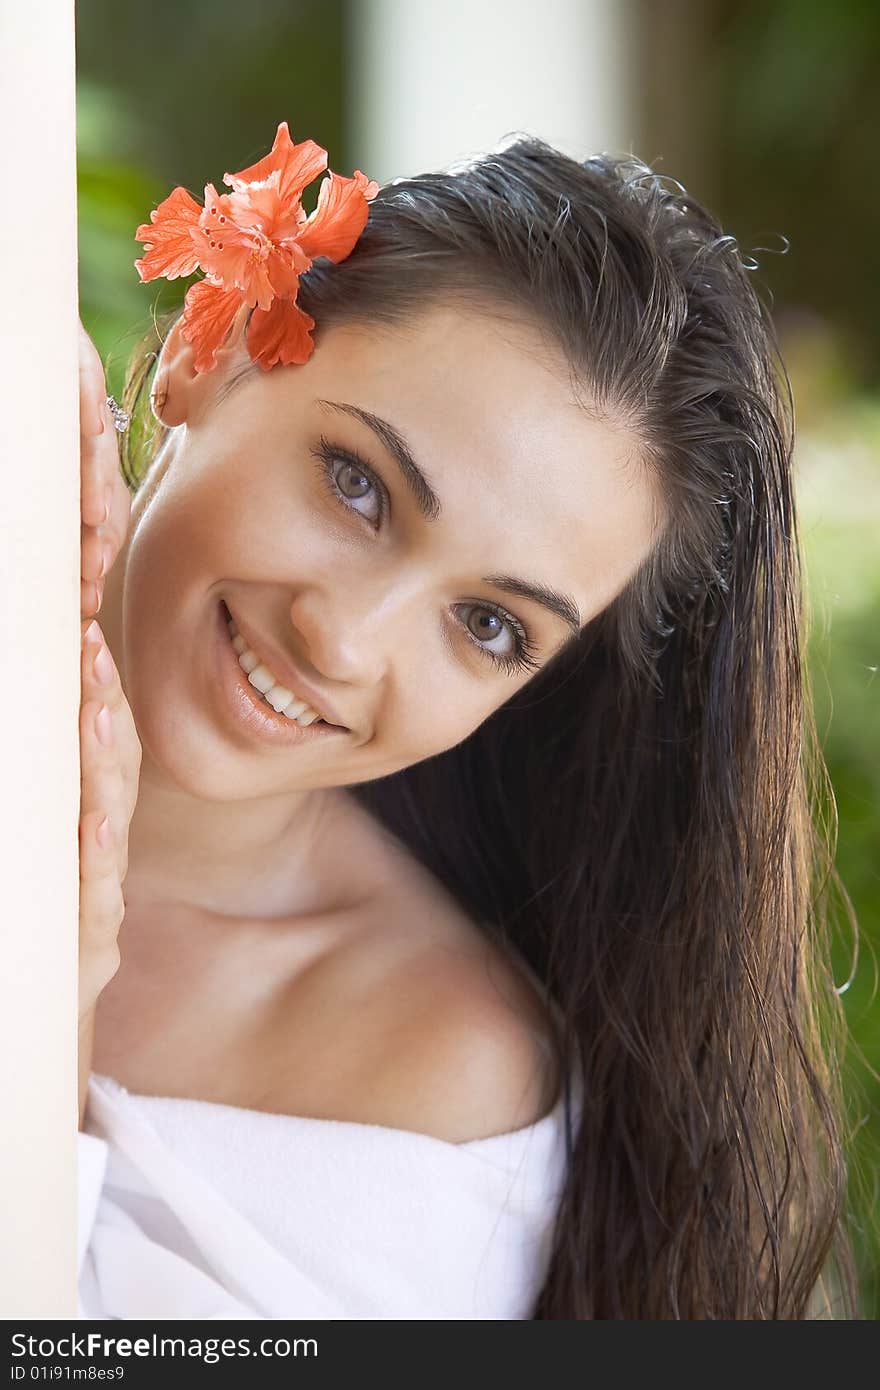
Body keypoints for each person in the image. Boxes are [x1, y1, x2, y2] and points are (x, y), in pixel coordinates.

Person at [76, 128, 860, 1319]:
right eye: (356, 486)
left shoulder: (435, 1088)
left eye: (489, 626)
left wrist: (45, 994)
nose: (345, 642)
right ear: (212, 347)